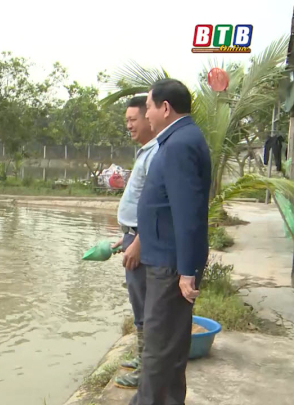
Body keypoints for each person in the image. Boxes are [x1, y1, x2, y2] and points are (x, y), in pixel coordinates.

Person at [131, 79, 211, 405]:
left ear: (165, 108)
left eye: (149, 107)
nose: (146, 114)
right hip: (166, 260)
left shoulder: (178, 144)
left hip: (169, 265)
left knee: (159, 349)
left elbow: (187, 212)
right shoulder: (179, 139)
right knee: (170, 348)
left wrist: (187, 271)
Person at [110, 95, 158, 389]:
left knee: (145, 304)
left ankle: (146, 370)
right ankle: (142, 359)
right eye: (126, 121)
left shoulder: (155, 153)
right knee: (138, 301)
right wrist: (127, 236)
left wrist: (138, 241)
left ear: (148, 118)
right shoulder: (145, 152)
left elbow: (156, 205)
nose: (129, 125)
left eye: (133, 119)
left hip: (143, 239)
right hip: (134, 234)